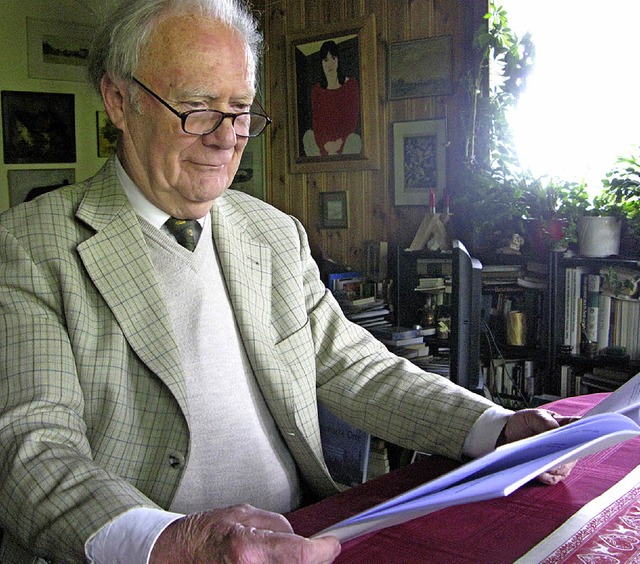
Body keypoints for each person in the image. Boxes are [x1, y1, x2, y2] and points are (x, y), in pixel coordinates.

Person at [0, 1, 573, 562]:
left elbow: (353, 366)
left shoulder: (272, 233)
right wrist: (167, 543)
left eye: (242, 109)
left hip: (301, 533)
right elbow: (33, 447)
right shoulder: (29, 247)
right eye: (197, 108)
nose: (227, 138)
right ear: (119, 101)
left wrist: (494, 427)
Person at [302, 40, 362, 156]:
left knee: (354, 139)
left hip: (344, 143)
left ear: (338, 60)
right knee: (308, 136)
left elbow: (351, 120)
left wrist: (339, 142)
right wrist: (325, 144)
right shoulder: (317, 91)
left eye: (333, 58)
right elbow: (317, 122)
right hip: (323, 146)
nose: (330, 64)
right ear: (321, 63)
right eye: (326, 60)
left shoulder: (351, 85)